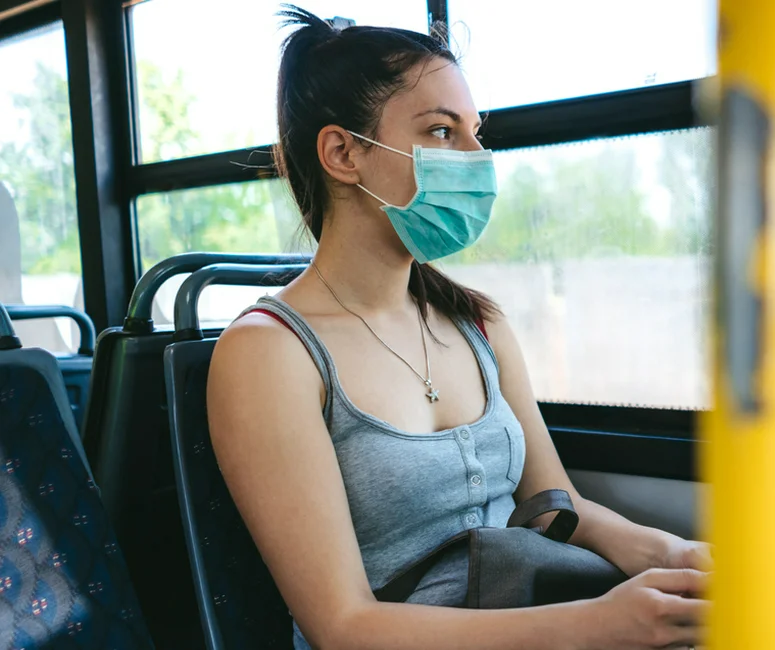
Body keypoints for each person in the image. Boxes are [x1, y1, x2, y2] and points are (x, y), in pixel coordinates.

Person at [207, 6, 709, 649]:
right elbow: (343, 626)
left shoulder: (478, 322)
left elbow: (556, 508)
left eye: (477, 132)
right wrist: (600, 624)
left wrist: (674, 555)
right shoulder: (269, 353)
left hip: (523, 613)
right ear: (342, 153)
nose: (477, 158)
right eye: (442, 132)